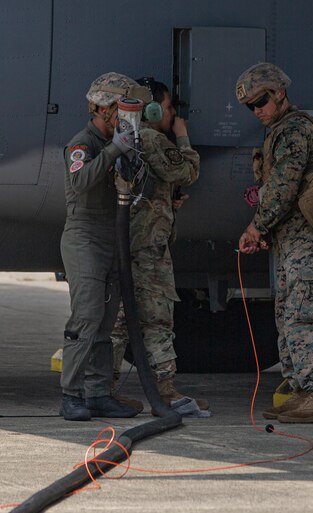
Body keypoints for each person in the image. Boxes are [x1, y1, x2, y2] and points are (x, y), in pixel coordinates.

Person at [235, 63, 313, 423]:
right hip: (293, 241)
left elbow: (283, 188)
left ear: (279, 93)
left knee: (304, 316)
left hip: (310, 242)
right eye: (251, 106)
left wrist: (256, 228)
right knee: (288, 315)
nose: (257, 111)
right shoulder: (279, 132)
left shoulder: (295, 131)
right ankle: (301, 390)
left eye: (261, 101)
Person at [110, 77, 208, 413]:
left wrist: (165, 200)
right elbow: (187, 170)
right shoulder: (152, 137)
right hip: (149, 248)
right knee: (157, 319)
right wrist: (181, 135)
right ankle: (166, 393)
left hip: (129, 244)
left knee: (120, 321)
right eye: (168, 108)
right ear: (151, 108)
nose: (171, 114)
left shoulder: (127, 138)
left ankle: (103, 388)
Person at [58, 72, 143, 421]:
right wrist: (114, 150)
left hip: (110, 239)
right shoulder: (83, 143)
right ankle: (71, 393)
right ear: (103, 109)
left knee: (105, 324)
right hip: (85, 239)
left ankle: (96, 393)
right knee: (87, 318)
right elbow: (80, 181)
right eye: (119, 108)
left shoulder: (119, 142)